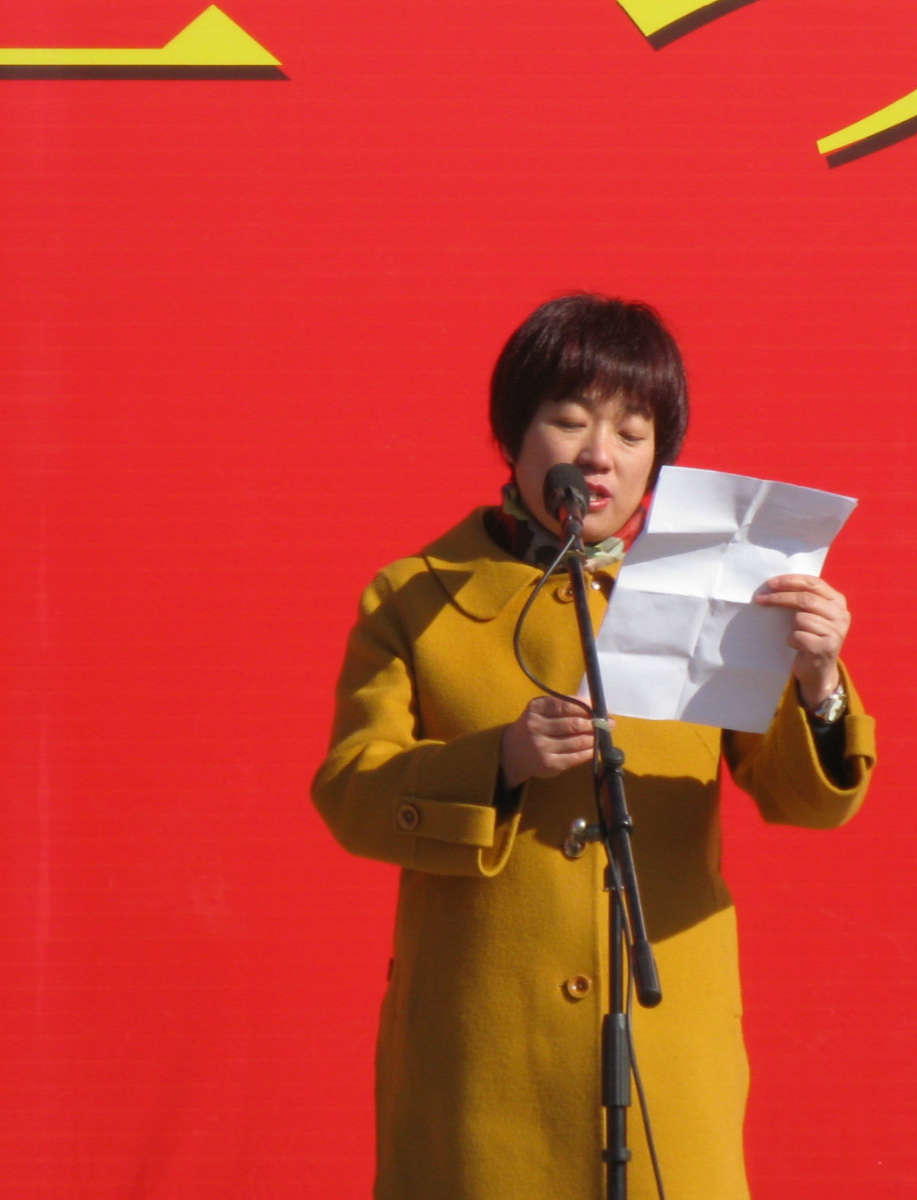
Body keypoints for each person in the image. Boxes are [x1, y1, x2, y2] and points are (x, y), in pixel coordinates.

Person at [311, 293, 876, 1200]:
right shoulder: (415, 596)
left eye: (632, 431)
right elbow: (351, 791)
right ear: (513, 433)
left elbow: (806, 802)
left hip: (663, 1041)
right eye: (569, 421)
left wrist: (819, 681)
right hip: (481, 1058)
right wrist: (498, 762)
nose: (598, 455)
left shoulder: (718, 597)